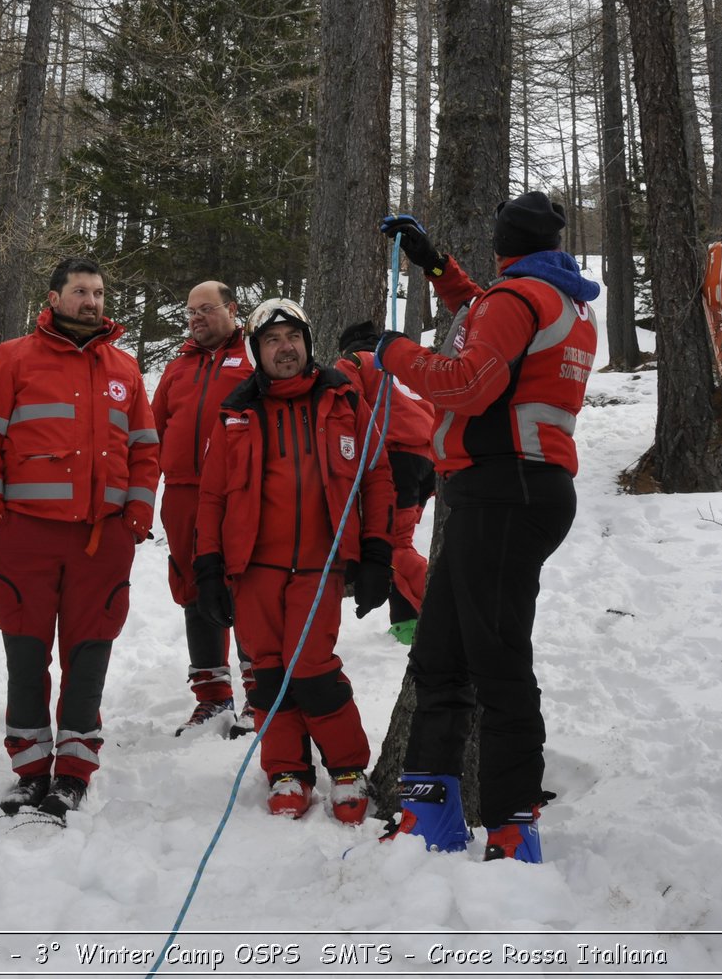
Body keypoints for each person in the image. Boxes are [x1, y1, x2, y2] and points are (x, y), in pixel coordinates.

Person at [375, 192, 598, 862]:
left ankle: (510, 821)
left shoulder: (518, 300)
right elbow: (489, 313)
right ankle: (431, 805)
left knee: (497, 659)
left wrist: (393, 354)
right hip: (510, 490)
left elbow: (471, 382)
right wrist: (436, 265)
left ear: (504, 244)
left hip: (507, 489)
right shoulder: (557, 298)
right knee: (441, 648)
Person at [0, 256, 160, 818]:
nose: (92, 302)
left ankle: (75, 768)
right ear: (53, 298)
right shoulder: (13, 358)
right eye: (80, 291)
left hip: (102, 543)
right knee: (26, 652)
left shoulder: (125, 368)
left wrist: (136, 517)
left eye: (98, 292)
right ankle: (29, 769)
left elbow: (146, 447)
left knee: (89, 653)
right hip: (25, 536)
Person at [193, 298, 395, 823]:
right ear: (257, 352)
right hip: (254, 568)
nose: (285, 349)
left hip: (319, 563)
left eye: (292, 338)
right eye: (271, 341)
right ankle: (287, 769)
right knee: (266, 671)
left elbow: (376, 477)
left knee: (311, 669)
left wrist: (377, 553)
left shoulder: (345, 399)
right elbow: (212, 495)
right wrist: (209, 567)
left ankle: (348, 768)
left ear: (308, 342)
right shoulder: (236, 412)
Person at [151, 280, 256, 736]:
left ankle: (261, 696)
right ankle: (212, 696)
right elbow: (150, 433)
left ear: (231, 309)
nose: (195, 318)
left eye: (205, 309)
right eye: (189, 311)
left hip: (238, 494)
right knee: (193, 589)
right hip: (181, 494)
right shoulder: (177, 369)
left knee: (247, 587)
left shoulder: (254, 358)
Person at [335, 320, 437, 645]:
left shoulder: (354, 363)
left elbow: (346, 411)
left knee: (392, 548)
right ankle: (407, 623)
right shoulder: (404, 366)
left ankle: (447, 605)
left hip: (395, 461)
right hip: (428, 462)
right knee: (399, 543)